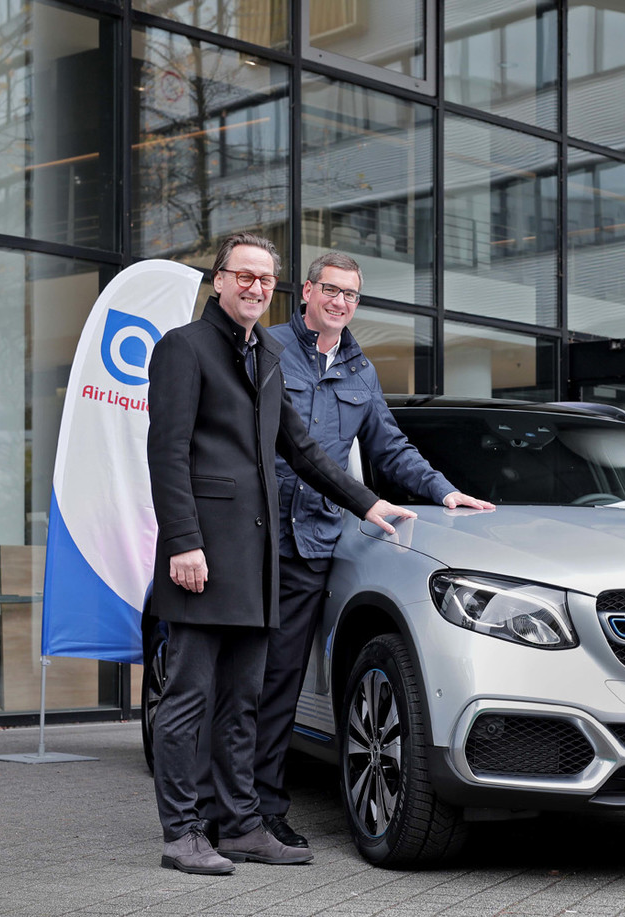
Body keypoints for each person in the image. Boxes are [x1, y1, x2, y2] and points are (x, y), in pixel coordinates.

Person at [146, 232, 416, 875]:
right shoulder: (183, 347)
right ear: (220, 280)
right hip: (202, 557)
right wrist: (183, 541)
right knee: (188, 700)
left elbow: (301, 448)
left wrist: (367, 503)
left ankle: (240, 825)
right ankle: (182, 833)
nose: (255, 287)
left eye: (265, 279)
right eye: (243, 275)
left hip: (259, 558)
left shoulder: (266, 352)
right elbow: (167, 453)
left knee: (244, 701)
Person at [252, 251, 493, 852]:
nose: (341, 302)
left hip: (311, 544)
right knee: (236, 675)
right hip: (253, 535)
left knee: (280, 681)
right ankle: (219, 804)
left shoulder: (360, 370)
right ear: (307, 291)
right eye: (331, 290)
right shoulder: (267, 348)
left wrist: (443, 490)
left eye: (351, 295)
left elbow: (390, 446)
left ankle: (263, 811)